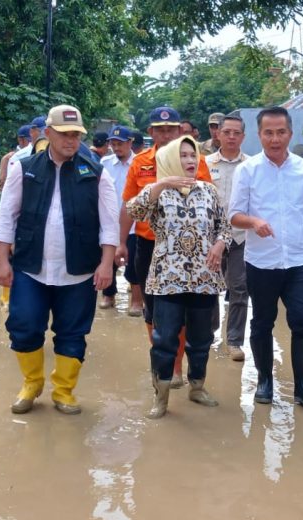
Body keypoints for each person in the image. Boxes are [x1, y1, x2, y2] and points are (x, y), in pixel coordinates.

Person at [0, 105, 119, 415]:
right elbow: (6, 217)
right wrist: (2, 261)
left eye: (76, 134)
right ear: (47, 133)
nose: (71, 140)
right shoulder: (24, 168)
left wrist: (106, 264)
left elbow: (109, 222)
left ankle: (63, 391)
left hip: (78, 270)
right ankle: (32, 383)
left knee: (73, 332)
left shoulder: (96, 172)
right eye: (64, 134)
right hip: (30, 266)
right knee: (23, 324)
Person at [229, 106, 303, 410]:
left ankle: (302, 387)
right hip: (261, 262)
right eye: (268, 133)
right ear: (259, 135)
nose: (275, 139)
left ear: (290, 133)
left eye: (280, 132)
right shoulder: (247, 170)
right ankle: (265, 381)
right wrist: (254, 222)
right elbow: (233, 215)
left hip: (298, 261)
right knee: (262, 322)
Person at [127, 136, 231, 418]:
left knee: (201, 338)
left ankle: (197, 387)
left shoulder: (209, 191)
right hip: (167, 279)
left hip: (204, 279)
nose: (189, 160)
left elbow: (225, 227)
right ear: (171, 159)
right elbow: (133, 209)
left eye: (193, 155)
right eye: (183, 155)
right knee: (164, 339)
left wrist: (220, 244)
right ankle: (160, 397)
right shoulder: (158, 192)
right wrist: (161, 184)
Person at [119, 106, 213, 388]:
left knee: (185, 311)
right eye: (159, 129)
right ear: (150, 132)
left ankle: (178, 367)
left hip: (187, 251)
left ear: (179, 131)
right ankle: (163, 364)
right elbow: (129, 205)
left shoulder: (197, 160)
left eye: (171, 129)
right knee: (153, 310)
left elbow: (210, 201)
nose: (165, 134)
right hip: (149, 246)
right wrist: (122, 242)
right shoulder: (141, 163)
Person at [205, 114, 250, 360]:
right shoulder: (205, 164)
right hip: (210, 238)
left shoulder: (251, 165)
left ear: (243, 136)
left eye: (236, 133)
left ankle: (234, 341)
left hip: (241, 237)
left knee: (239, 289)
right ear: (219, 134)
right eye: (227, 132)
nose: (231, 137)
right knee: (209, 287)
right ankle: (208, 334)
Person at [101, 125, 142, 315]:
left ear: (130, 143)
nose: (116, 148)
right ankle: (108, 295)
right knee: (107, 261)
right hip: (109, 223)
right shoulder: (105, 163)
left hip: (134, 224)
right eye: (113, 144)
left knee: (134, 264)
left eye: (120, 144)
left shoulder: (140, 163)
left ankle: (136, 301)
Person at [0, 124, 33, 309]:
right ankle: (7, 299)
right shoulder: (16, 159)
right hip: (19, 217)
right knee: (13, 259)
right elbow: (7, 194)